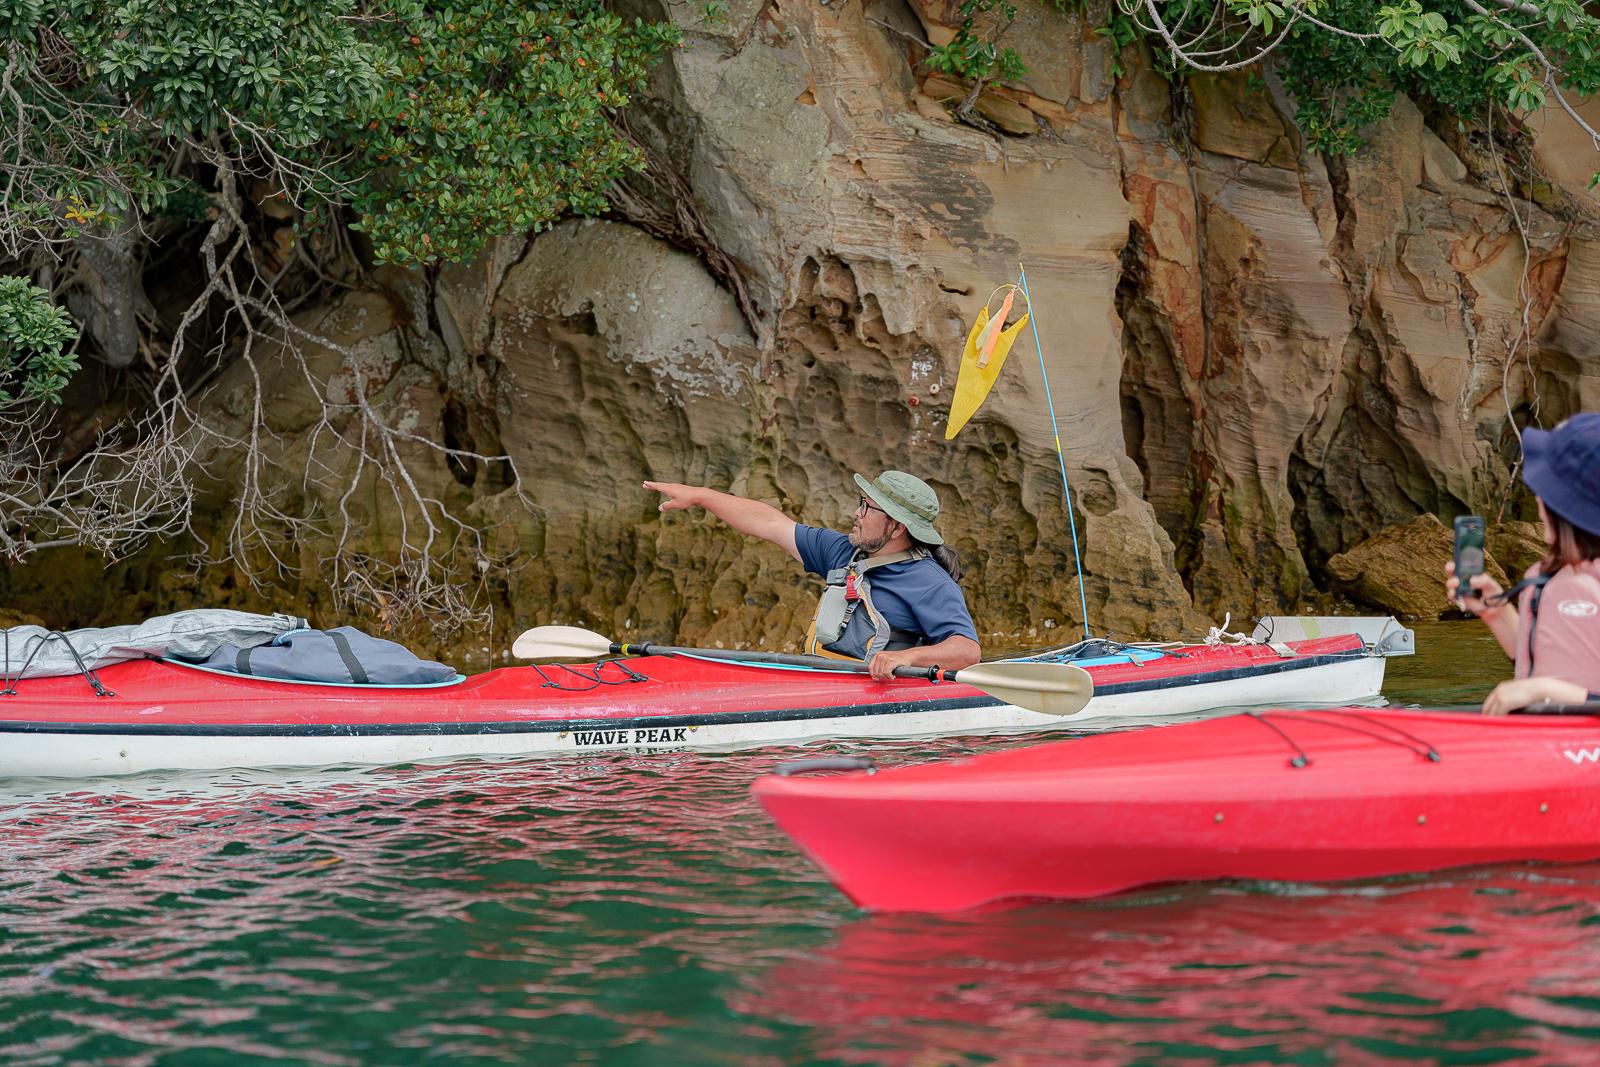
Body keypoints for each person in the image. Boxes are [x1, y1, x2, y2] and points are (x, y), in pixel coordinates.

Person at [644, 471, 981, 680]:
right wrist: (702, 496)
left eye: (867, 507)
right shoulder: (843, 551)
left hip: (871, 695)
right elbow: (771, 524)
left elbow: (966, 651)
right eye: (860, 502)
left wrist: (906, 658)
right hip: (817, 679)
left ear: (896, 527)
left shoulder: (929, 582)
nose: (856, 513)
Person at [1446, 413, 1600, 714]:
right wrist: (1498, 614)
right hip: (1547, 747)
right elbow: (1550, 659)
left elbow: (1552, 685)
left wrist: (1550, 691)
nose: (1538, 500)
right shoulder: (1544, 576)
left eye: (1545, 492)